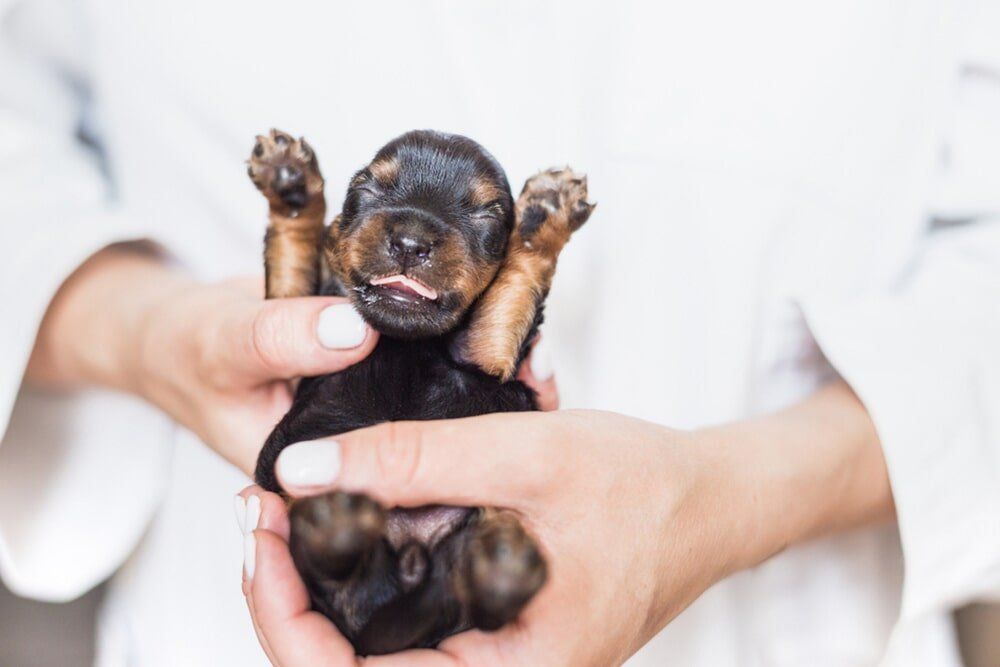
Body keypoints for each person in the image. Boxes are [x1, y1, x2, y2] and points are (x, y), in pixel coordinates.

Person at [1, 1, 998, 665]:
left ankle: (478, 566)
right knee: (346, 530)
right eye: (379, 204)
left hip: (785, 629)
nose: (414, 235)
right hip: (216, 618)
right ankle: (354, 542)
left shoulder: (493, 328)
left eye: (480, 226)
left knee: (464, 550)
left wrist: (731, 499)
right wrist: (137, 328)